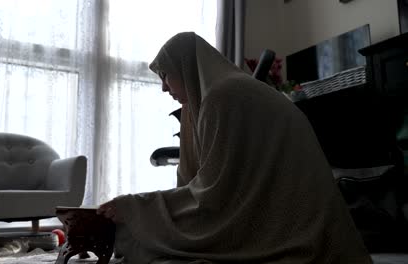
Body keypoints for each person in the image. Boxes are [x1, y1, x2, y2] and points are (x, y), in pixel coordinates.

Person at [96, 32, 373, 263]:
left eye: (165, 75)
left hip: (294, 230)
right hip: (303, 223)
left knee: (142, 243)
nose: (164, 88)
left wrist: (136, 207)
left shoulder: (222, 97)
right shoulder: (220, 95)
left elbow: (213, 194)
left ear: (185, 67)